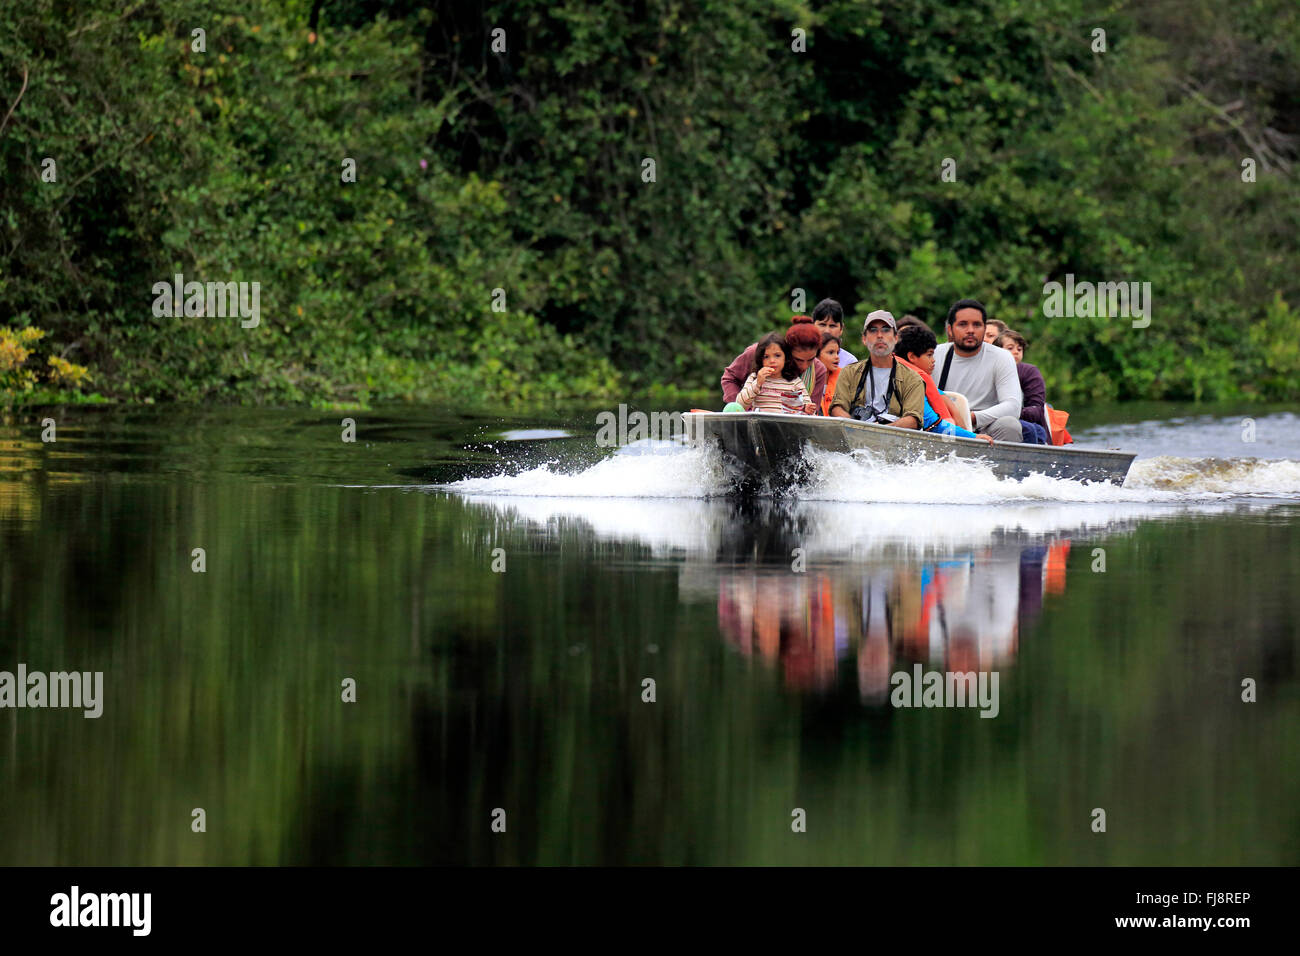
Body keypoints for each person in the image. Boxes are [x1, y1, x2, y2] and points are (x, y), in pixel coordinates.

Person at [933, 299, 1023, 442]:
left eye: (977, 325)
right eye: (963, 324)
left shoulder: (1002, 357)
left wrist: (972, 417)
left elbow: (1013, 406)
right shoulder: (934, 354)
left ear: (984, 329)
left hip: (985, 426)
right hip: (944, 423)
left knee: (1010, 425)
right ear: (950, 330)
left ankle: (1000, 464)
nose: (970, 330)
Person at [894, 324, 992, 442]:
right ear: (912, 357)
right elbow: (934, 424)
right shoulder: (911, 384)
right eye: (929, 355)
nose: (933, 360)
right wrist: (973, 437)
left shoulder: (889, 371)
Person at [829, 310, 924, 428]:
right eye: (873, 330)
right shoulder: (849, 372)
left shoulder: (913, 379)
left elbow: (913, 420)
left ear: (895, 338)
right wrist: (855, 427)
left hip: (894, 441)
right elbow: (837, 408)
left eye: (885, 330)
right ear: (864, 339)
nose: (879, 335)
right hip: (855, 438)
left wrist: (880, 430)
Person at [722, 317, 828, 408]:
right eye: (798, 360)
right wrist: (739, 410)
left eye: (810, 360)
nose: (804, 366)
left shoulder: (818, 370)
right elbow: (729, 378)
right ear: (787, 351)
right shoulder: (758, 353)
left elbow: (811, 412)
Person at [733, 332, 818, 414]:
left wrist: (807, 408)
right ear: (760, 359)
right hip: (761, 426)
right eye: (766, 357)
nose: (772, 361)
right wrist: (757, 384)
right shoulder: (755, 377)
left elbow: (806, 408)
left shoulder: (794, 381)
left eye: (777, 355)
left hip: (785, 426)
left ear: (786, 357)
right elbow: (740, 404)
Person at [994, 329, 1049, 444]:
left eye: (1019, 349)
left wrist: (1008, 411)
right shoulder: (989, 369)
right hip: (990, 419)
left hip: (1020, 419)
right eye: (1010, 348)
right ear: (997, 351)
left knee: (1035, 430)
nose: (1016, 352)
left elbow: (1036, 409)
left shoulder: (1029, 372)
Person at [811, 298, 857, 366]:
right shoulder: (802, 357)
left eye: (832, 326)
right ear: (812, 326)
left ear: (841, 329)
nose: (827, 331)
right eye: (822, 325)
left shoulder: (850, 363)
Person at [817, 333, 842, 415]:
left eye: (837, 353)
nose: (837, 357)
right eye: (831, 352)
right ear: (816, 355)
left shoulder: (844, 379)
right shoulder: (805, 379)